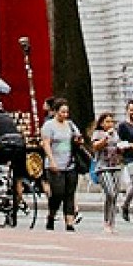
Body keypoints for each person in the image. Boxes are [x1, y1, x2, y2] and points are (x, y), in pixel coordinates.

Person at [38, 99, 82, 231]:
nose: (65, 114)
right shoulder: (49, 126)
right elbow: (46, 143)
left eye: (67, 112)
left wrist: (78, 140)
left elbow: (78, 138)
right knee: (58, 193)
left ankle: (69, 222)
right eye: (62, 112)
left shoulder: (70, 125)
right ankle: (51, 215)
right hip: (55, 164)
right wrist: (51, 161)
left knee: (70, 193)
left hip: (70, 164)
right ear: (56, 112)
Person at [0, 99, 28, 225]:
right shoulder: (8, 117)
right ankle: (16, 206)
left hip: (6, 145)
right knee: (18, 178)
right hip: (20, 145)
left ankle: (0, 182)